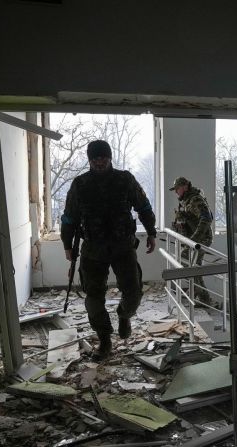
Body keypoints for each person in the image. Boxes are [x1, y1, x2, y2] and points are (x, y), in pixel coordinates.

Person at [61, 140, 156, 361]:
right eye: (95, 158)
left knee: (133, 293)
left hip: (123, 247)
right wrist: (68, 246)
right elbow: (69, 218)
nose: (99, 162)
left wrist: (151, 231)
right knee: (93, 299)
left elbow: (143, 206)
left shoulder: (125, 180)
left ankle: (124, 315)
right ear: (89, 160)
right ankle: (104, 340)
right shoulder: (80, 184)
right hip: (93, 250)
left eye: (103, 157)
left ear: (110, 157)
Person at [170, 177, 213, 305]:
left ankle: (202, 295)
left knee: (185, 260)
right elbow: (191, 219)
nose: (176, 192)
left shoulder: (195, 199)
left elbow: (207, 218)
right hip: (194, 239)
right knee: (194, 267)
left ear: (184, 187)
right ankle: (203, 297)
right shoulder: (186, 200)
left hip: (201, 239)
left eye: (177, 189)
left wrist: (194, 239)